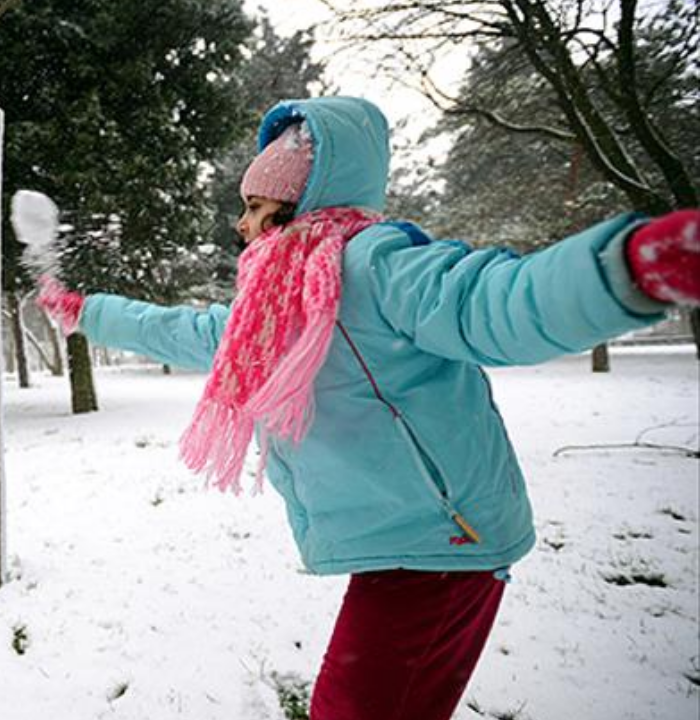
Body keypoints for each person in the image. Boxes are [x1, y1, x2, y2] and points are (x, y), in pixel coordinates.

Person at [35, 96, 700, 720]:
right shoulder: (273, 303)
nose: (241, 224)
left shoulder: (378, 264)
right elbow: (183, 330)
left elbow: (494, 299)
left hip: (444, 540)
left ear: (300, 203)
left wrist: (625, 269)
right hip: (406, 545)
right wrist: (89, 312)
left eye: (256, 204)